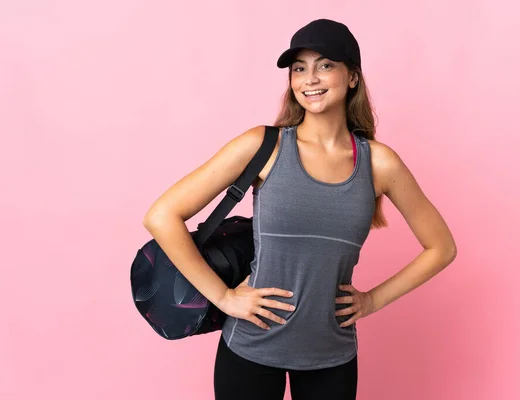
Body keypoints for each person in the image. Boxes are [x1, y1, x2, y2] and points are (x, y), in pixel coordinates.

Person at [142, 18, 457, 400]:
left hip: (332, 355)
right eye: (299, 69)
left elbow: (442, 247)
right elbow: (161, 215)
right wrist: (224, 298)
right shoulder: (264, 145)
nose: (310, 78)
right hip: (250, 349)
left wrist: (372, 299)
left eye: (325, 65)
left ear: (352, 77)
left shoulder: (379, 164)